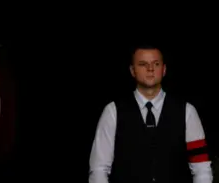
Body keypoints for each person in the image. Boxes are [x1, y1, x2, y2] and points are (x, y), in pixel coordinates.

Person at [89, 44, 213, 183]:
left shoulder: (187, 112)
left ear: (164, 69)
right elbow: (99, 169)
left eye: (156, 63)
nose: (150, 69)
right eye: (143, 64)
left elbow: (202, 168)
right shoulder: (112, 112)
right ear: (132, 70)